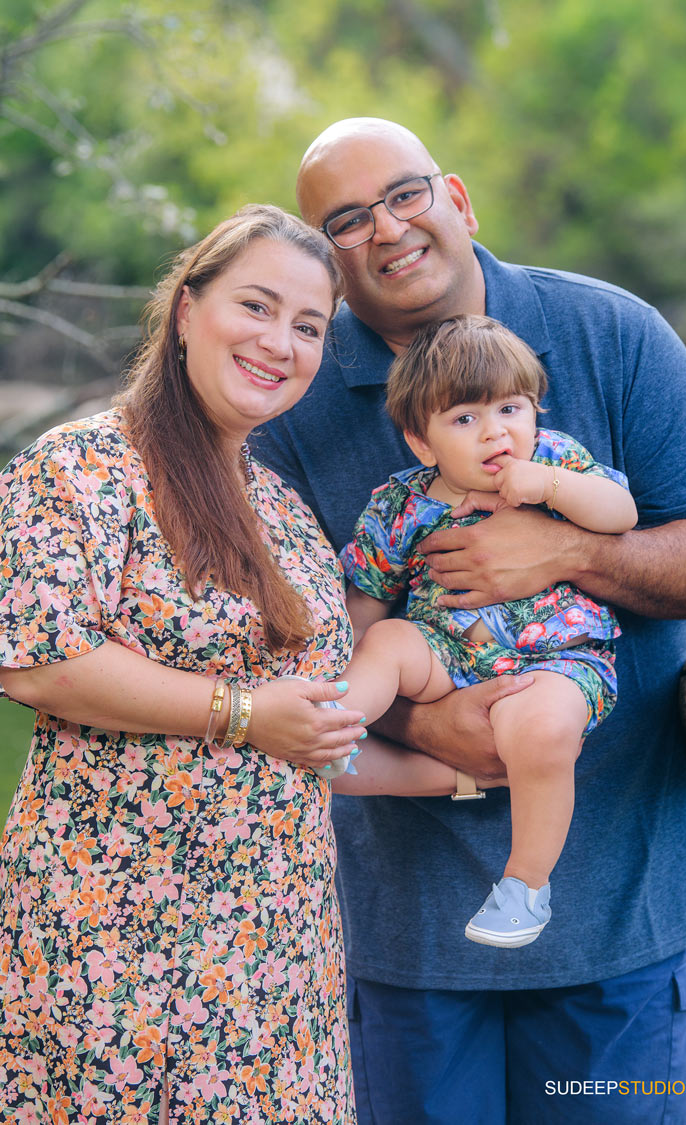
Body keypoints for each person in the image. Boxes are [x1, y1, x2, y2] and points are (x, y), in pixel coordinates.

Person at [251, 119, 686, 1124]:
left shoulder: (612, 337)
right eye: (346, 220)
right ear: (328, 262)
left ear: (460, 199)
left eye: (405, 194)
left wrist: (571, 550)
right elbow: (290, 640)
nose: (386, 229)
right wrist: (427, 730)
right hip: (399, 940)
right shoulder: (292, 401)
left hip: (619, 928)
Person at [0, 203, 462, 1125]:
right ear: (184, 311)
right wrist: (244, 710)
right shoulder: (81, 467)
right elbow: (39, 664)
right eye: (255, 306)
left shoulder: (285, 514)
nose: (278, 342)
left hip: (275, 948)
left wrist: (463, 774)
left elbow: (310, 737)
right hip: (111, 936)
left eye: (308, 326)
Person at [338, 314, 637, 949]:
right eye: (465, 418)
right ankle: (333, 729)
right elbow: (365, 599)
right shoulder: (402, 505)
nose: (496, 431)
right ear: (423, 443)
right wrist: (347, 662)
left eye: (511, 408)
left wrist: (551, 485)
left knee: (542, 732)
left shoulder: (558, 462)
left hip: (560, 657)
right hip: (447, 649)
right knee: (385, 644)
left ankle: (524, 885)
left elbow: (621, 515)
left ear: (536, 412)